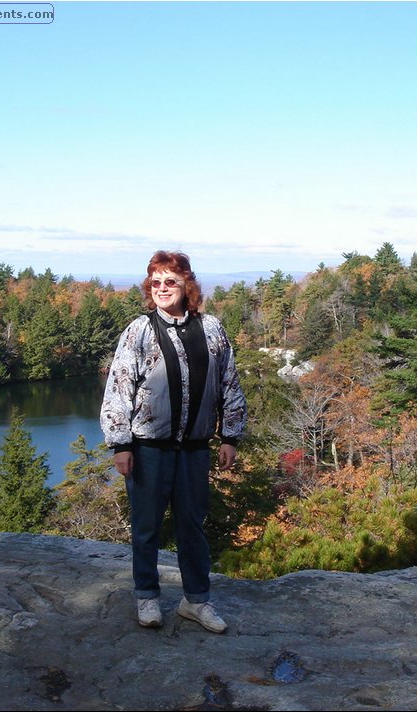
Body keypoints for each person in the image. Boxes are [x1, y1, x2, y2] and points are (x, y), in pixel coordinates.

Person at [100, 250, 247, 633]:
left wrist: (230, 435)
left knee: (192, 527)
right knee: (146, 526)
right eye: (156, 282)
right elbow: (119, 388)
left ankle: (196, 601)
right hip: (148, 448)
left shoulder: (212, 329)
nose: (162, 288)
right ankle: (147, 597)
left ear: (187, 286)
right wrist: (121, 444)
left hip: (195, 448)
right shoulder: (140, 330)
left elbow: (228, 382)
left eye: (171, 282)